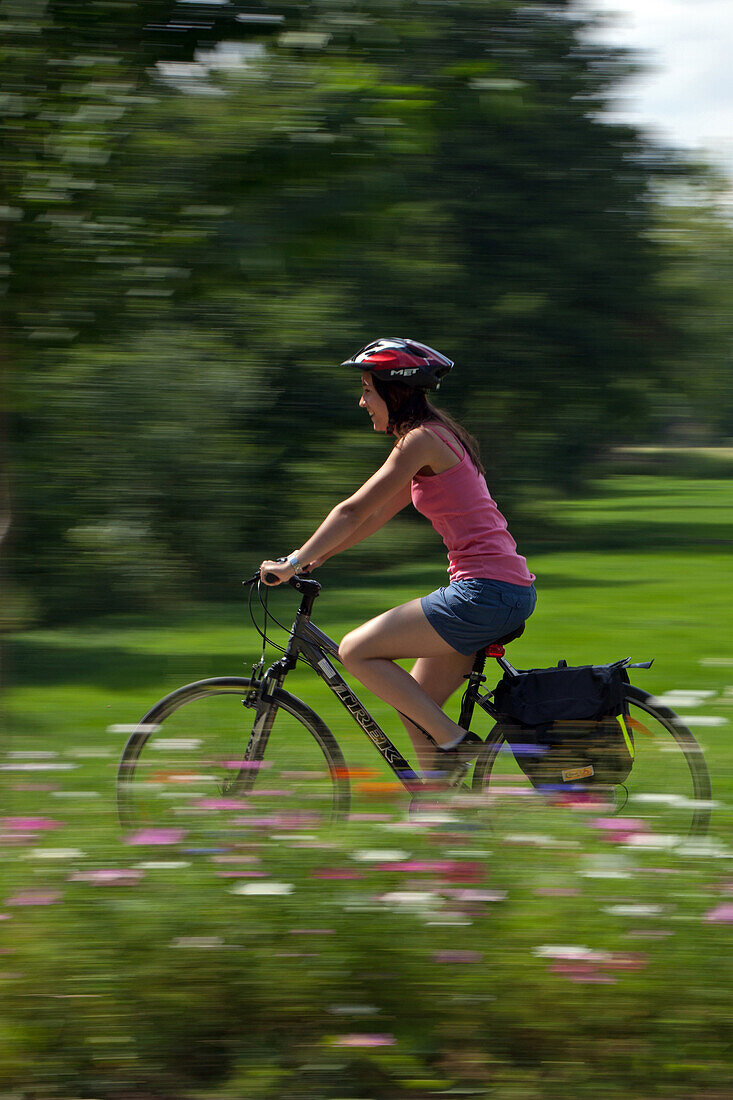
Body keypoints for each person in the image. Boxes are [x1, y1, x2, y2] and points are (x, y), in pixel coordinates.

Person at [260, 338, 536, 776]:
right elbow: (373, 517)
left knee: (355, 650)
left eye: (368, 389)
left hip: (485, 593)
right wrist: (319, 556)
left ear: (395, 389)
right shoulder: (432, 439)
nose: (362, 401)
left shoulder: (422, 441)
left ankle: (458, 744)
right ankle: (442, 817)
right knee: (415, 706)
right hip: (499, 591)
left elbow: (352, 509)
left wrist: (292, 562)